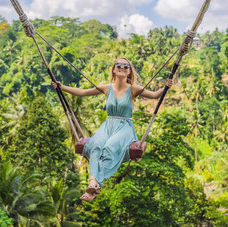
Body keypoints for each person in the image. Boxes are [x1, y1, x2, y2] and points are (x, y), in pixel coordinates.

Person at [52, 57, 173, 201]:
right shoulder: (106, 88)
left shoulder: (134, 89)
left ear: (129, 72)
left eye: (126, 66)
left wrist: (166, 87)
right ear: (114, 69)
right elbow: (82, 92)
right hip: (108, 125)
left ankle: (95, 186)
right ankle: (93, 183)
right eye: (119, 65)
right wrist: (62, 87)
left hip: (124, 127)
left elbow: (154, 95)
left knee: (109, 147)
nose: (122, 67)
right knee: (95, 146)